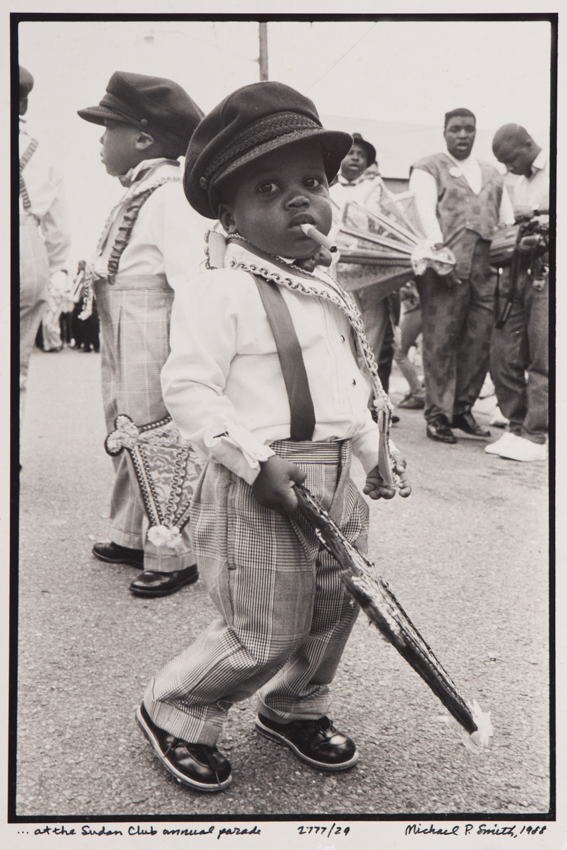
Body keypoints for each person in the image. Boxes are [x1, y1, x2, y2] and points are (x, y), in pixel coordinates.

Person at [135, 81, 411, 792]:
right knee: (265, 622)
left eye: (311, 183)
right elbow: (190, 390)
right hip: (258, 479)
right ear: (227, 212)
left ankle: (296, 706)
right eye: (268, 187)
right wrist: (253, 462)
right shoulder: (219, 289)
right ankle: (177, 707)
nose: (298, 200)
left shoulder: (327, 292)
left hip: (335, 477)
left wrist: (373, 457)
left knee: (336, 604)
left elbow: (351, 391)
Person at [78, 71, 207, 597]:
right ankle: (133, 531)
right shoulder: (140, 191)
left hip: (154, 322)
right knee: (126, 426)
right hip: (124, 318)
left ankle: (174, 550)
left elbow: (190, 281)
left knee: (158, 433)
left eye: (107, 127)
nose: (100, 140)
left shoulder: (171, 196)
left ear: (143, 139)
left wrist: (189, 352)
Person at [409, 108, 514, 443]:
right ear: (444, 132)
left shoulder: (492, 172)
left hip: (486, 266)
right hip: (445, 264)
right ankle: (438, 414)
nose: (463, 135)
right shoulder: (429, 167)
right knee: (440, 341)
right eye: (455, 129)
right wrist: (438, 251)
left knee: (479, 340)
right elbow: (423, 210)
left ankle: (461, 409)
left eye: (469, 129)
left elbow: (506, 217)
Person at [486, 124, 549, 462]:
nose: (509, 168)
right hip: (517, 270)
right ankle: (516, 425)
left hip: (546, 271)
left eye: (511, 159)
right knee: (506, 351)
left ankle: (538, 434)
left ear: (529, 144)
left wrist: (537, 215)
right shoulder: (519, 180)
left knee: (542, 355)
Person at [19, 65, 71, 420]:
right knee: (14, 367)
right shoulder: (41, 152)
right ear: (23, 105)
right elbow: (58, 229)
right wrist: (56, 267)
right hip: (26, 248)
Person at [330, 134, 393, 381]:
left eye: (361, 155)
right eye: (351, 153)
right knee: (342, 335)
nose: (356, 157)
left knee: (373, 338)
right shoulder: (330, 191)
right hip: (341, 272)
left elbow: (387, 225)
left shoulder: (376, 189)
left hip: (372, 273)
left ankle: (370, 405)